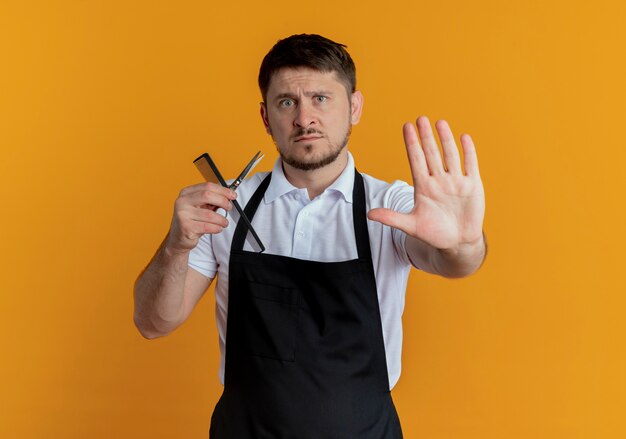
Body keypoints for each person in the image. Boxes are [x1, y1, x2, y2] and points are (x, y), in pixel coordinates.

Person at [134, 33, 486, 438]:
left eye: (321, 98)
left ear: (354, 108)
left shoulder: (391, 205)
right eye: (287, 102)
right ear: (266, 117)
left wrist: (463, 242)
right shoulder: (224, 206)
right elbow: (153, 323)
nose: (304, 118)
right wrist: (176, 246)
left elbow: (453, 262)